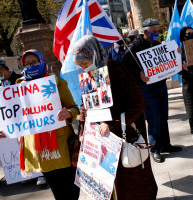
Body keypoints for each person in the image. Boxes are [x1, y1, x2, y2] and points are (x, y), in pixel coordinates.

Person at [73, 35, 158, 200]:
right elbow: (85, 104)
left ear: (95, 55)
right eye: (79, 65)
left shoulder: (116, 70)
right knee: (109, 186)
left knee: (132, 184)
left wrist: (112, 125)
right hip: (101, 141)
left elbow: (138, 104)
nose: (83, 68)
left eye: (85, 63)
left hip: (125, 138)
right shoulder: (88, 75)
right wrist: (82, 129)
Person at [0, 49, 80, 200]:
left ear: (42, 62)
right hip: (39, 150)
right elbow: (13, 117)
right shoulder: (17, 88)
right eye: (27, 64)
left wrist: (69, 113)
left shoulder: (57, 83)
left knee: (71, 191)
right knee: (59, 193)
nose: (31, 66)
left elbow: (74, 107)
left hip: (61, 148)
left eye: (34, 62)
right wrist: (3, 129)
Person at [122, 18, 182, 163]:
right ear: (146, 32)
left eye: (158, 31)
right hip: (147, 89)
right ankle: (155, 149)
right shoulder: (135, 47)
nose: (157, 34)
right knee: (154, 119)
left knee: (163, 117)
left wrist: (177, 53)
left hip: (161, 86)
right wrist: (139, 74)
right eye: (154, 32)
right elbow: (123, 65)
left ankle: (166, 144)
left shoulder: (157, 44)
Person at [0, 58, 47, 186]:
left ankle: (41, 174)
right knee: (21, 148)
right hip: (13, 121)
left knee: (33, 145)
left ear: (2, 70)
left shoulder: (21, 79)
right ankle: (28, 173)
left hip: (28, 119)